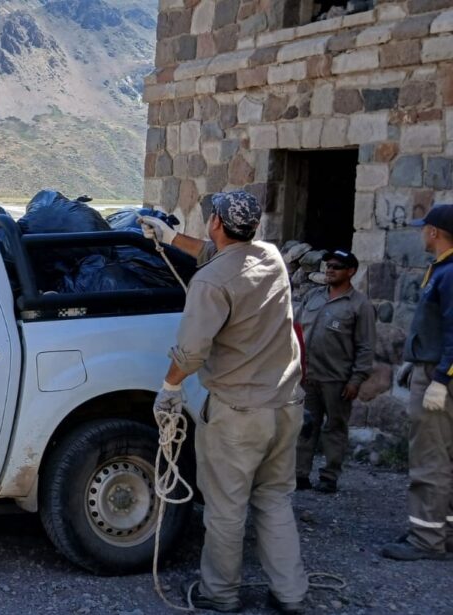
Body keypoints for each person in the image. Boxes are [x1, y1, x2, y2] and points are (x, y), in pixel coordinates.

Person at [141, 192, 307, 614]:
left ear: (216, 222)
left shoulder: (210, 282)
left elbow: (191, 352)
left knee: (226, 508)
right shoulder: (271, 258)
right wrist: (171, 238)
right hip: (286, 403)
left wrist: (170, 387)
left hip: (238, 413)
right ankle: (290, 594)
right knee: (274, 498)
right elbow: (222, 256)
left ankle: (220, 593)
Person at [381, 204, 453, 561]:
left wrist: (440, 377)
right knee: (446, 456)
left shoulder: (449, 273)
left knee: (429, 457)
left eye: (424, 228)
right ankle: (443, 530)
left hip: (439, 377)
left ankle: (426, 538)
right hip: (433, 367)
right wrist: (415, 357)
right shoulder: (442, 269)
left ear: (434, 232)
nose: (421, 232)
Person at [294, 249, 375, 493]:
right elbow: (295, 329)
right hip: (307, 375)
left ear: (351, 272)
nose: (329, 270)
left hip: (337, 380)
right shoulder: (313, 296)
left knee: (335, 428)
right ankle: (300, 474)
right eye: (328, 265)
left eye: (336, 266)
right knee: (304, 426)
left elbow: (366, 346)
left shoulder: (360, 305)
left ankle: (329, 476)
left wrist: (356, 379)